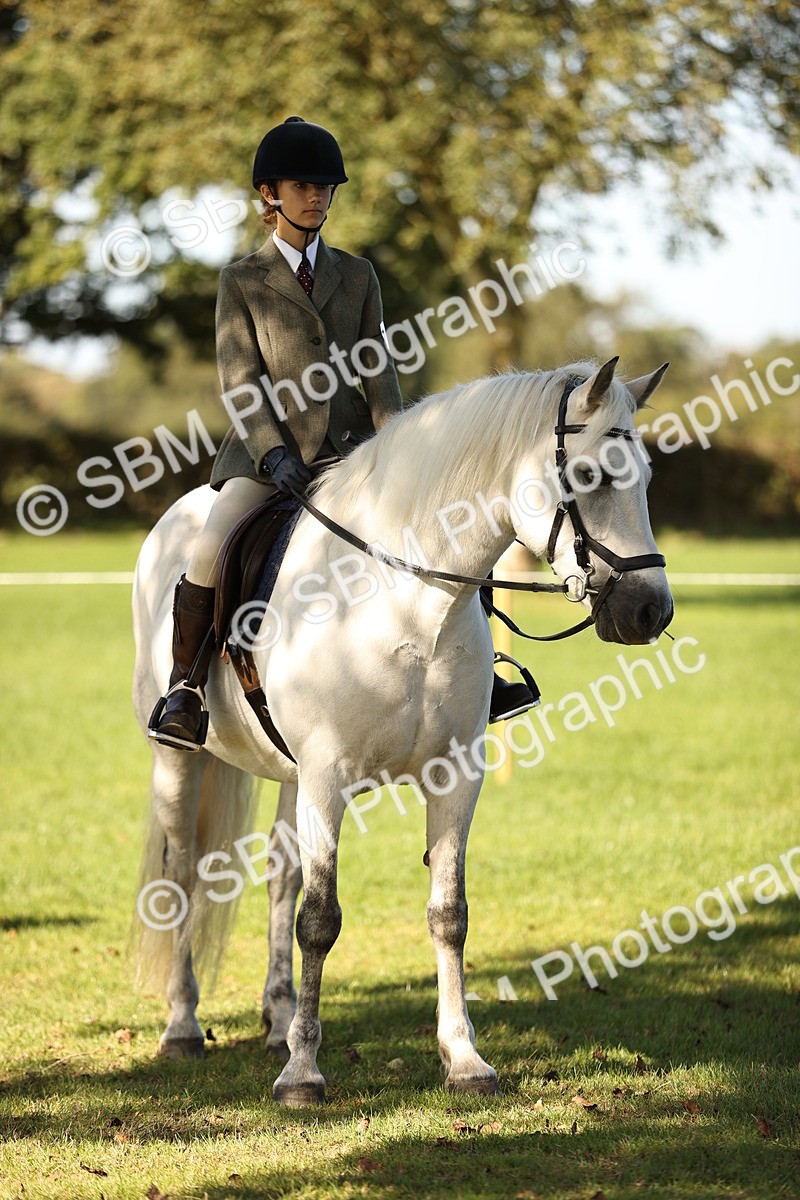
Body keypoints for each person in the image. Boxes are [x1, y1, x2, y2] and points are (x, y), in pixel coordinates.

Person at [149, 116, 535, 752]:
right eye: (304, 185)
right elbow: (241, 381)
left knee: (452, 527)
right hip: (262, 457)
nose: (318, 196)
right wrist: (273, 454)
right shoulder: (242, 280)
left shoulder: (357, 276)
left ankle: (484, 673)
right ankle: (186, 689)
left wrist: (408, 447)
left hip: (356, 451)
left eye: (327, 186)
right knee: (210, 545)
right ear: (269, 194)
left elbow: (377, 370)